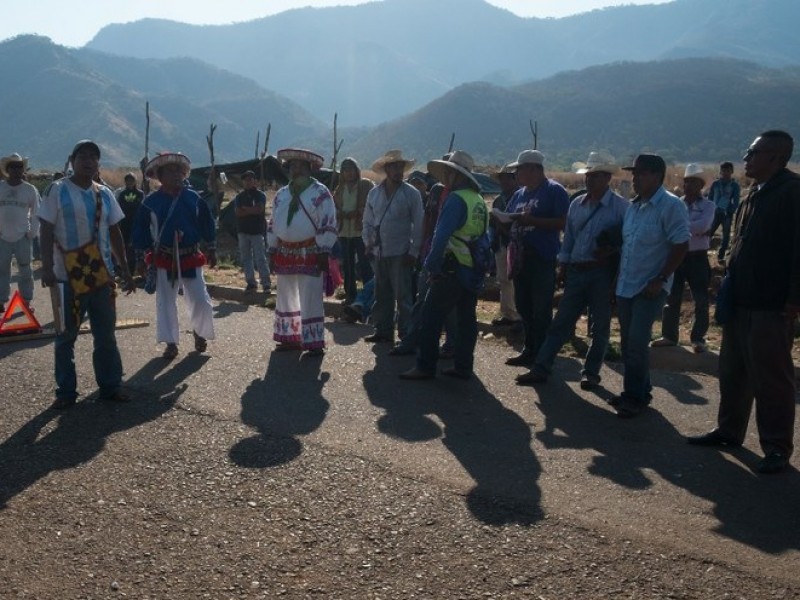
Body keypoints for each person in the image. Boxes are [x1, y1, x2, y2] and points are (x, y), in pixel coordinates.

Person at [687, 130, 800, 474]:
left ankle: (777, 447)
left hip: (771, 303)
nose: (746, 158)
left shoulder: (792, 193)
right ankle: (729, 431)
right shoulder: (754, 193)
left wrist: (795, 300)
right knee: (733, 371)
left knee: (771, 378)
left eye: (752, 153)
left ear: (775, 157)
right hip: (740, 299)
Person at [516, 151, 629, 389]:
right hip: (577, 270)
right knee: (561, 323)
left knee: (600, 327)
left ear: (607, 178)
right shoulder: (577, 204)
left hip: (602, 272)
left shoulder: (621, 207)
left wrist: (613, 261)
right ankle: (541, 367)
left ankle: (591, 372)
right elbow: (569, 239)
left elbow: (627, 244)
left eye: (596, 176)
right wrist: (563, 266)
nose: (590, 180)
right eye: (588, 176)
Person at [38, 140, 136, 409]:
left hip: (102, 277)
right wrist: (46, 267)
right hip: (65, 276)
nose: (88, 161)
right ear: (72, 160)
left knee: (105, 335)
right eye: (83, 156)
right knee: (65, 336)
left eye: (94, 157)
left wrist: (124, 268)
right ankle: (66, 393)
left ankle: (111, 386)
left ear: (98, 164)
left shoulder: (105, 194)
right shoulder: (56, 191)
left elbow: (115, 232)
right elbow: (45, 230)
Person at [399, 151, 488, 380]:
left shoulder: (456, 200)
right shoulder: (477, 200)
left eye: (449, 171)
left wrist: (431, 265)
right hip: (472, 268)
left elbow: (441, 235)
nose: (446, 175)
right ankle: (463, 365)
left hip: (452, 266)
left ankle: (425, 366)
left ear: (456, 174)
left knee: (430, 317)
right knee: (466, 320)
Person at [613, 154, 689, 418]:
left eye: (641, 174)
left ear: (657, 176)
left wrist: (660, 278)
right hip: (626, 285)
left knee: (636, 342)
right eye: (634, 174)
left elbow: (681, 244)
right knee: (628, 342)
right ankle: (639, 391)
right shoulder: (633, 207)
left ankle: (633, 396)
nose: (635, 178)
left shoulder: (671, 206)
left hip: (650, 286)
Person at [132, 152, 217, 360]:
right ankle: (170, 342)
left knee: (201, 299)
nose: (177, 174)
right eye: (170, 171)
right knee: (166, 301)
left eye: (179, 170)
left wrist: (212, 247)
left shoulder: (193, 198)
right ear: (160, 176)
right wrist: (139, 258)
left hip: (190, 256)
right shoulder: (150, 203)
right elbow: (140, 231)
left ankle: (200, 331)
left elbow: (207, 223)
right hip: (163, 258)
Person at [267, 148, 337, 356]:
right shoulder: (281, 195)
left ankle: (313, 340)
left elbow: (328, 220)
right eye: (292, 166)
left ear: (309, 169)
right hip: (284, 251)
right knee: (286, 293)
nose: (295, 170)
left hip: (311, 250)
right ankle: (290, 338)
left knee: (310, 294)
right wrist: (271, 249)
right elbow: (273, 223)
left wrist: (324, 250)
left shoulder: (320, 192)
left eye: (300, 166)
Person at [503, 149, 570, 367]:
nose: (517, 174)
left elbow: (562, 222)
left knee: (541, 308)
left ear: (533, 169)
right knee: (523, 306)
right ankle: (530, 349)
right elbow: (509, 215)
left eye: (519, 170)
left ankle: (542, 355)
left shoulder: (554, 191)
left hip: (542, 257)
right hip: (521, 258)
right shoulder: (519, 194)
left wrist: (531, 220)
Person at [361, 149, 424, 344]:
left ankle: (406, 333)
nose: (398, 171)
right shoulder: (374, 194)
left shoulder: (411, 194)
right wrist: (368, 244)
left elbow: (419, 224)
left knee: (403, 296)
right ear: (386, 169)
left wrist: (413, 251)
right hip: (379, 252)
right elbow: (367, 222)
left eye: (400, 167)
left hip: (401, 252)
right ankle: (383, 331)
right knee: (382, 294)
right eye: (394, 167)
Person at [652, 164, 715, 353]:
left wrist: (680, 227)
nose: (689, 185)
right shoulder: (675, 203)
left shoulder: (709, 206)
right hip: (677, 255)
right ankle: (669, 336)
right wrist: (687, 228)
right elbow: (672, 227)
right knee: (672, 297)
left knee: (701, 299)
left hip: (697, 257)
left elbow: (702, 226)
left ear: (701, 185)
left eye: (693, 182)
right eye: (687, 181)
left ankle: (698, 338)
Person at [0, 152, 40, 313]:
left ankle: (26, 301)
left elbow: (37, 213)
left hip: (23, 236)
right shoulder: (1, 187)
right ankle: (1, 300)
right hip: (2, 237)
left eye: (19, 167)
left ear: (23, 169)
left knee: (25, 271)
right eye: (13, 167)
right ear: (7, 169)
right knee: (2, 270)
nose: (17, 169)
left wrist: (32, 233)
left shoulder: (30, 190)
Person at [332, 157, 373, 304]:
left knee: (364, 265)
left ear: (357, 171)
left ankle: (369, 297)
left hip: (360, 231)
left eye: (351, 170)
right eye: (345, 170)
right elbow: (334, 209)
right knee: (348, 266)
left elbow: (372, 204)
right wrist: (341, 214)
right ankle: (350, 296)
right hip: (344, 232)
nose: (348, 173)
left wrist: (358, 212)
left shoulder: (365, 185)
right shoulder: (339, 189)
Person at [488, 163, 521, 327]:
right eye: (501, 179)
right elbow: (492, 226)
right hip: (502, 243)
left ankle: (518, 314)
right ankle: (508, 313)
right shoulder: (498, 201)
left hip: (516, 245)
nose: (503, 182)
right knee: (503, 279)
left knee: (516, 281)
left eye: (506, 178)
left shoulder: (521, 197)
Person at [234, 170, 271, 293]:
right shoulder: (239, 197)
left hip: (257, 231)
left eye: (250, 179)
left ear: (255, 181)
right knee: (246, 258)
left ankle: (266, 283)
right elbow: (238, 212)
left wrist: (246, 209)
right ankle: (251, 283)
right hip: (243, 231)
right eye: (245, 180)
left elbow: (259, 210)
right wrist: (251, 210)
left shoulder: (260, 195)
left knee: (260, 257)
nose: (248, 182)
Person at [706, 161, 740, 265]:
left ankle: (720, 256)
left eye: (728, 170)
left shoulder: (734, 186)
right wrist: (709, 210)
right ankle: (703, 252)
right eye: (724, 170)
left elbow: (736, 200)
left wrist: (731, 211)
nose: (726, 173)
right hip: (715, 212)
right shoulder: (715, 184)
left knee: (726, 236)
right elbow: (710, 197)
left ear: (732, 171)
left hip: (726, 213)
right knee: (709, 233)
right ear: (720, 171)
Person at [116, 172, 144, 275]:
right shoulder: (122, 194)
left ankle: (137, 271)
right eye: (127, 180)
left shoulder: (140, 194)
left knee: (135, 247)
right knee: (125, 247)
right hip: (124, 224)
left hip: (136, 223)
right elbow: (120, 207)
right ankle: (126, 271)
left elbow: (140, 208)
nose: (129, 182)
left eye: (131, 180)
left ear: (135, 181)